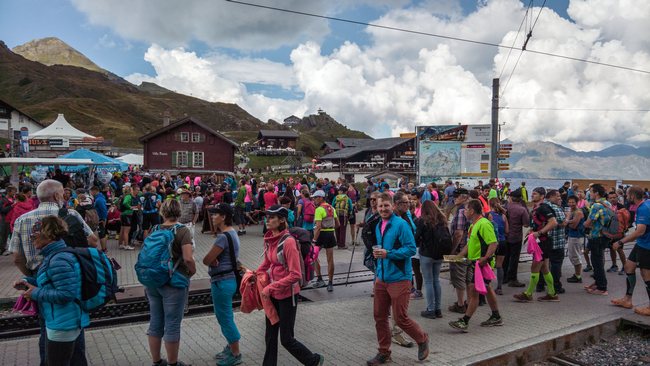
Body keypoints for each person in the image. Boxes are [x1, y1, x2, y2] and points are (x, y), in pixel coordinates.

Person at [9, 179, 96, 365]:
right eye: (63, 194)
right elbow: (93, 241)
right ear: (57, 195)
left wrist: (32, 278)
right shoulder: (70, 214)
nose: (34, 239)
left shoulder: (22, 219)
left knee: (47, 328)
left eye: (35, 237)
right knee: (72, 327)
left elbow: (16, 257)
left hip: (40, 278)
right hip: (69, 275)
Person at [255, 205, 324, 366]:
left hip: (288, 295)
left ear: (281, 220)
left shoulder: (289, 242)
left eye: (272, 217)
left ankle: (313, 360)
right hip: (272, 293)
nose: (268, 220)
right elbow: (267, 262)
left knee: (286, 339)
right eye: (267, 216)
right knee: (270, 335)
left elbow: (295, 274)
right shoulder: (270, 239)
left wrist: (270, 287)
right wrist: (254, 274)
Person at [16, 216, 90, 366]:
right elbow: (53, 283)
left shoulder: (59, 260)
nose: (31, 239)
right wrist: (28, 282)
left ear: (48, 235)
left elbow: (67, 294)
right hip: (64, 320)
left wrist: (35, 293)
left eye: (33, 235)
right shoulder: (53, 255)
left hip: (63, 325)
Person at [367, 192, 429, 365]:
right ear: (377, 207)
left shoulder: (401, 225)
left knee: (400, 318)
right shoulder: (379, 224)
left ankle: (422, 339)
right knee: (379, 316)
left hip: (400, 277)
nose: (383, 209)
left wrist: (389, 254)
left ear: (392, 206)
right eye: (380, 206)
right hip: (381, 277)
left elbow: (410, 249)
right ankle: (384, 352)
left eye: (386, 205)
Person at [144, 199, 196, 366]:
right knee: (172, 323)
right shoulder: (182, 231)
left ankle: (157, 361)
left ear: (162, 212)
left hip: (153, 281)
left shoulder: (155, 229)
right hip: (174, 282)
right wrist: (192, 271)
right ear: (179, 212)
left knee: (155, 321)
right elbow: (188, 257)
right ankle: (173, 363)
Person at [449, 199, 503, 332]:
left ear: (472, 211)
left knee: (473, 292)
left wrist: (485, 258)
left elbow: (493, 243)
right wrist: (459, 256)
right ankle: (496, 316)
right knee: (487, 289)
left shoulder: (484, 224)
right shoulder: (474, 225)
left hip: (481, 265)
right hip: (476, 263)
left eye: (466, 210)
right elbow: (470, 244)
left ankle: (465, 321)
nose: (465, 212)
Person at [203, 203, 243, 366]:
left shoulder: (222, 237)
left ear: (224, 217)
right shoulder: (232, 233)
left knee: (224, 318)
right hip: (229, 280)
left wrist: (211, 261)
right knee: (226, 316)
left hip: (222, 281)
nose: (212, 217)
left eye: (215, 214)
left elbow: (206, 259)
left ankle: (235, 353)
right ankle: (230, 346)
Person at [513, 187, 559, 302]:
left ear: (542, 196)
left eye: (535, 194)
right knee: (544, 269)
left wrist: (539, 233)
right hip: (542, 241)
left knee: (535, 267)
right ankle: (552, 294)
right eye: (532, 193)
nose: (532, 195)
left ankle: (528, 294)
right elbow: (539, 222)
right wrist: (532, 230)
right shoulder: (537, 207)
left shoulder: (544, 207)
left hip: (543, 242)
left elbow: (553, 222)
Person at [610, 186, 650, 315]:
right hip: (641, 244)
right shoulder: (646, 203)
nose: (626, 197)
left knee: (646, 275)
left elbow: (640, 231)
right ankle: (627, 299)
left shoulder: (643, 208)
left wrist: (621, 241)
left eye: (628, 195)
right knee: (629, 267)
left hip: (647, 246)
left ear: (633, 195)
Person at [415, 200, 449, 318]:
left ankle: (430, 309)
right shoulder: (442, 220)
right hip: (439, 255)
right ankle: (438, 309)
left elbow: (416, 237)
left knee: (428, 281)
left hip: (426, 254)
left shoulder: (422, 221)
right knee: (436, 280)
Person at [583, 184, 612, 295]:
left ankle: (602, 287)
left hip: (596, 236)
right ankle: (598, 282)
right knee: (598, 260)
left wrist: (585, 224)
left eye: (591, 191)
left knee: (597, 262)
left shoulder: (596, 206)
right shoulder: (607, 203)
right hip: (605, 236)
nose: (589, 193)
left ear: (596, 193)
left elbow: (588, 222)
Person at [310, 190, 339, 292]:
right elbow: (338, 224)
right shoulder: (331, 208)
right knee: (330, 259)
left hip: (321, 234)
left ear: (321, 198)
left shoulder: (319, 209)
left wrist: (314, 240)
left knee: (314, 256)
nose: (314, 199)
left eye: (315, 197)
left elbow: (318, 227)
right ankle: (330, 283)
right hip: (330, 234)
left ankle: (320, 279)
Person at [448, 188, 470, 313]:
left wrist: (452, 250)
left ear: (464, 197)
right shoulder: (470, 209)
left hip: (460, 250)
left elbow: (458, 233)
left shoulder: (462, 211)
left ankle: (461, 304)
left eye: (456, 197)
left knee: (459, 276)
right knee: (467, 278)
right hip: (470, 249)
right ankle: (469, 301)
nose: (454, 199)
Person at [504, 189, 529, 287]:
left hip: (505, 236)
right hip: (516, 236)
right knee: (514, 258)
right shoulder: (522, 209)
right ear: (520, 199)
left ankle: (504, 277)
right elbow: (526, 224)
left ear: (511, 198)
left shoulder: (505, 207)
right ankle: (512, 279)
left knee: (505, 257)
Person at [488, 198, 509, 294]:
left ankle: (488, 286)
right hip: (503, 242)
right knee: (499, 265)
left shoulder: (488, 215)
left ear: (489, 204)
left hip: (492, 242)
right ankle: (499, 287)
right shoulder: (503, 216)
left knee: (489, 264)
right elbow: (507, 231)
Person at [565, 196, 585, 284]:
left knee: (575, 256)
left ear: (576, 202)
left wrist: (566, 221)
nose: (571, 204)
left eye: (573, 202)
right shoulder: (571, 211)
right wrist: (569, 221)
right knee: (572, 255)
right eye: (569, 202)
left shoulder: (578, 212)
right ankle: (577, 274)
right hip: (572, 235)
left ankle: (578, 276)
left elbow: (574, 226)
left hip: (577, 236)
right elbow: (570, 222)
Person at [90, 186, 108, 252]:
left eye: (91, 192)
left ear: (94, 191)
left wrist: (104, 219)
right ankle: (104, 249)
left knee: (102, 234)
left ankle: (104, 249)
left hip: (100, 219)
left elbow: (104, 210)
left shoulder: (99, 199)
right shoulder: (99, 198)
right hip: (100, 218)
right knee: (102, 234)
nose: (91, 193)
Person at [118, 185, 135, 250]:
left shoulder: (123, 196)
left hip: (122, 214)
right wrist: (130, 207)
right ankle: (126, 245)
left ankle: (120, 244)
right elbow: (125, 203)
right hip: (127, 214)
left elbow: (116, 202)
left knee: (122, 230)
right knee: (126, 231)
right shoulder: (128, 196)